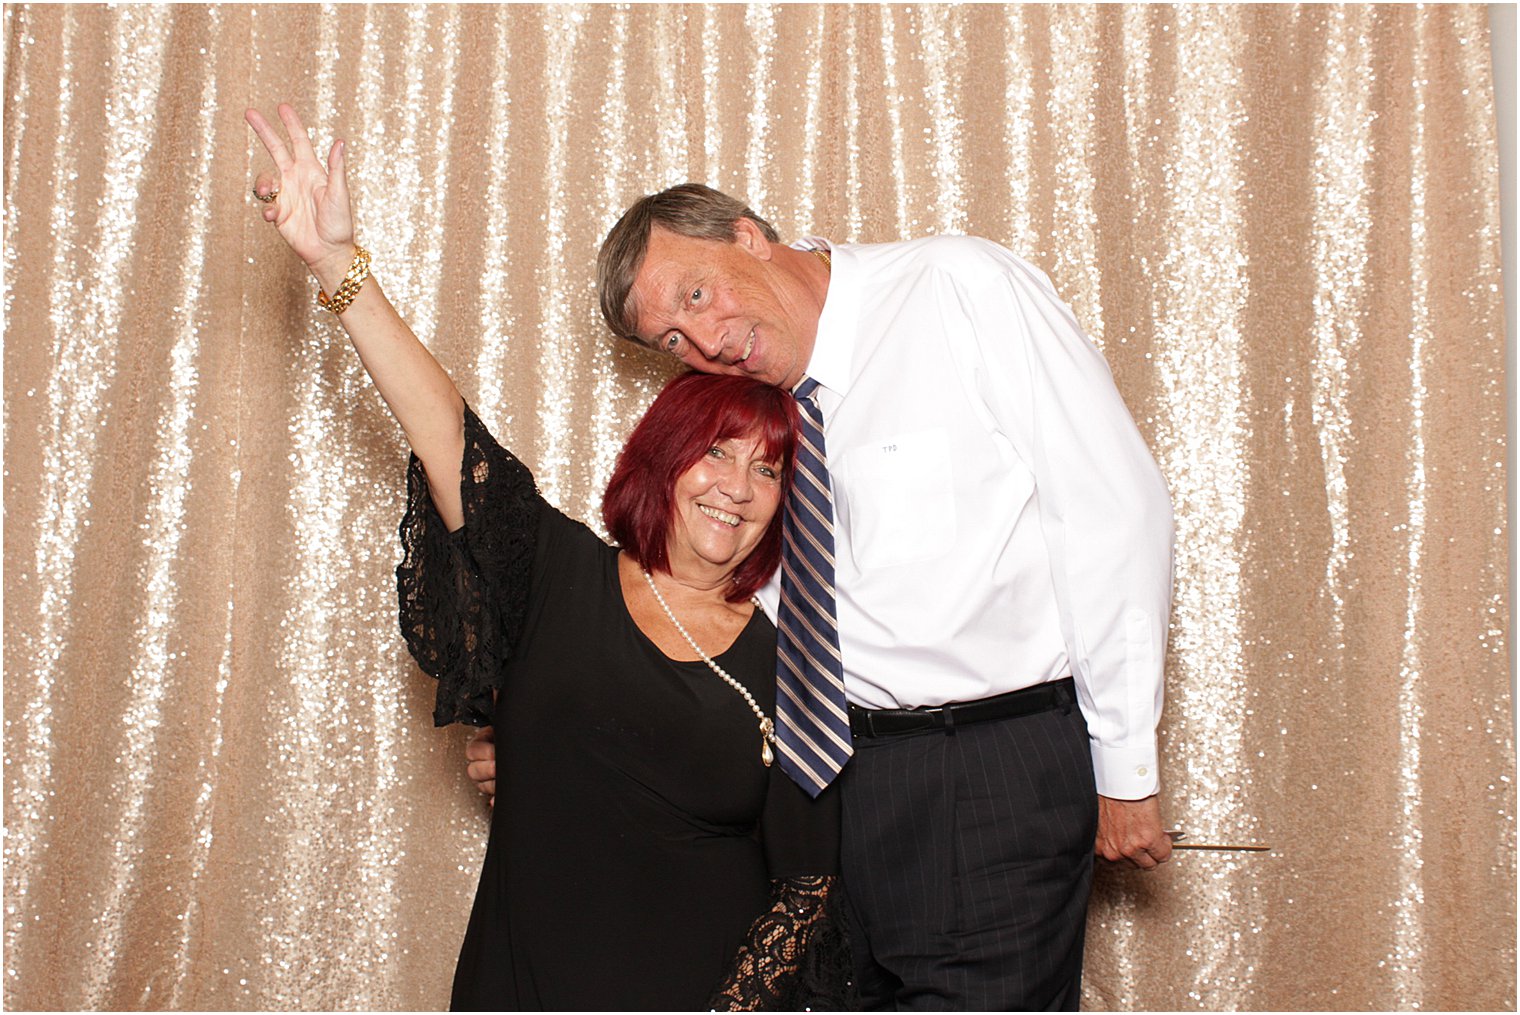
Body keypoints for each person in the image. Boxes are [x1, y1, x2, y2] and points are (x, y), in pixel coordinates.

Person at [470, 183, 1176, 1010]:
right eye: (671, 336)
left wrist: (1124, 762)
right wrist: (540, 730)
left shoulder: (956, 288)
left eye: (697, 293)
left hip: (982, 771)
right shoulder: (752, 422)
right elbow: (708, 614)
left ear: (749, 234)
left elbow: (1112, 507)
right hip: (819, 798)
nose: (703, 339)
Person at [245, 107, 845, 1012]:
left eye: (768, 467)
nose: (737, 485)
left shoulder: (789, 664)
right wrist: (336, 264)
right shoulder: (556, 576)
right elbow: (445, 430)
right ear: (663, 461)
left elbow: (804, 886)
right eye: (716, 452)